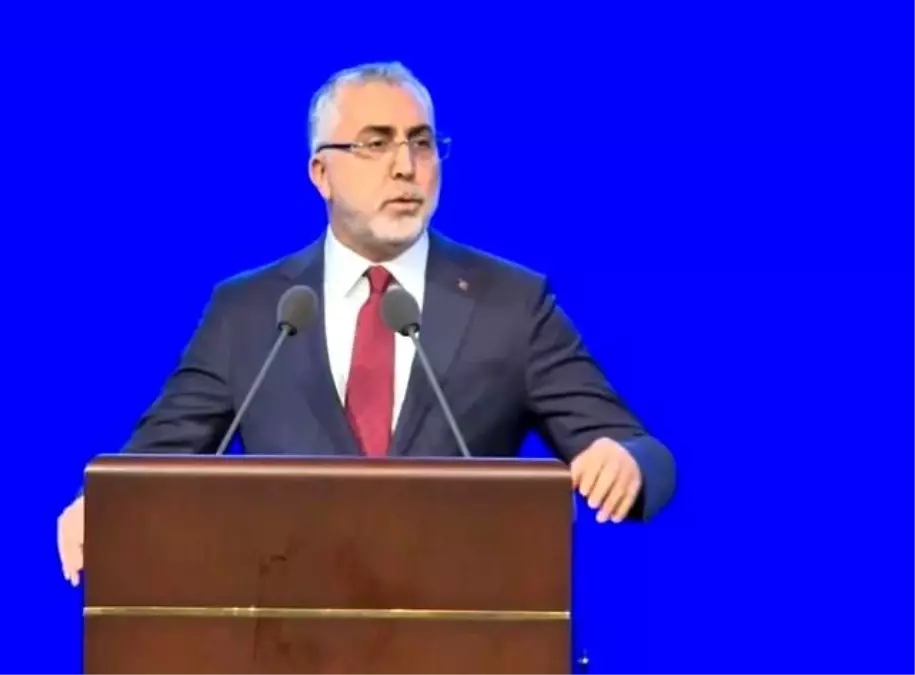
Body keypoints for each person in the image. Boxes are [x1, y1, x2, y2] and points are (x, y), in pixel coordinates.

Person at [56, 61, 676, 586]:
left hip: (465, 633)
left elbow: (645, 454)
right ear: (321, 174)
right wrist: (102, 505)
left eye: (422, 143)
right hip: (289, 641)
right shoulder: (249, 310)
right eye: (375, 144)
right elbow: (154, 462)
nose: (405, 166)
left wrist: (625, 461)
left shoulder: (509, 302)